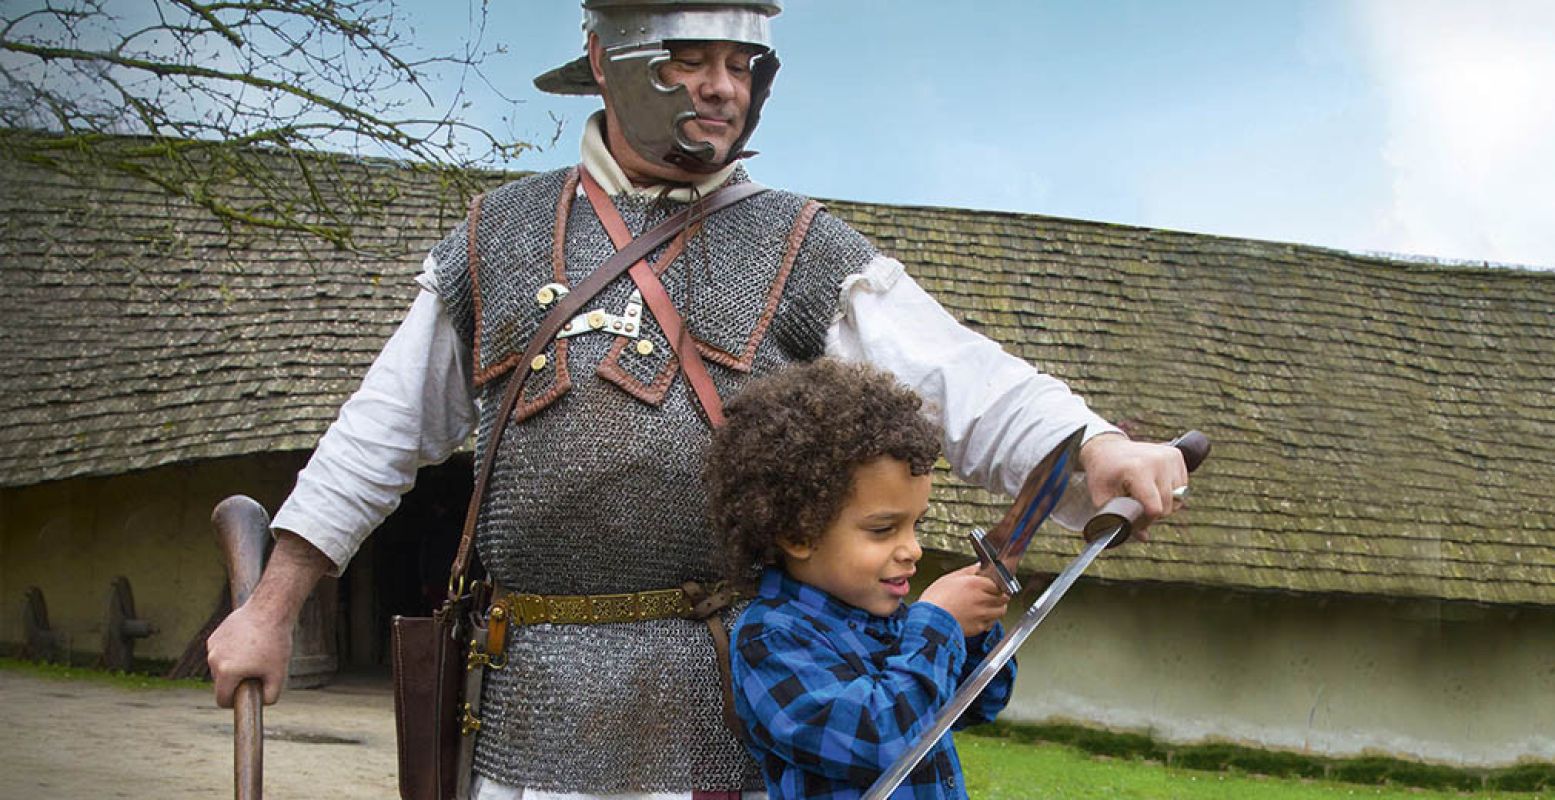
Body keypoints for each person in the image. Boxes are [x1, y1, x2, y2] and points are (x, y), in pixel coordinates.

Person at [205, 1, 1190, 798]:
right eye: (688, 57)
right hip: (521, 707)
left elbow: (957, 378)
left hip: (713, 716)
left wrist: (1090, 444)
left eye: (744, 60)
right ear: (601, 58)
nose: (724, 85)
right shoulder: (492, 240)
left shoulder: (798, 246)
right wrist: (272, 608)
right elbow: (372, 440)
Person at [707, 359, 1016, 799]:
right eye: (883, 529)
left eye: (916, 526)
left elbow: (981, 703)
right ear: (798, 533)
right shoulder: (771, 640)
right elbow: (883, 739)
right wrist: (940, 624)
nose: (913, 549)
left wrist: (973, 632)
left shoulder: (895, 620)